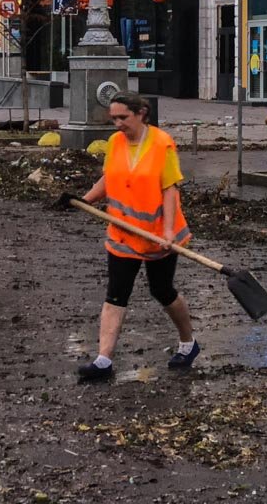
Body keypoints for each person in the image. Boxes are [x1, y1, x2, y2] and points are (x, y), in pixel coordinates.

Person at [75, 92, 199, 381]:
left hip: (156, 235)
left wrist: (167, 232)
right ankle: (103, 360)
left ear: (141, 113)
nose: (117, 124)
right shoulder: (115, 143)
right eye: (113, 118)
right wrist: (85, 199)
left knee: (162, 291)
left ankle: (188, 343)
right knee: (116, 293)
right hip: (122, 232)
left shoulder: (162, 144)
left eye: (123, 117)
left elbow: (170, 189)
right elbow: (109, 178)